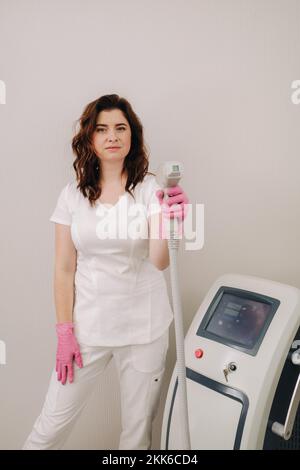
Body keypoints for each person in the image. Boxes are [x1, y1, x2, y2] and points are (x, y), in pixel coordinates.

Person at [22, 93, 189, 450]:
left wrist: (172, 218)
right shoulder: (72, 196)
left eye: (120, 128)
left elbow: (160, 261)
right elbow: (64, 269)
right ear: (90, 139)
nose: (112, 136)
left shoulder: (150, 189)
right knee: (49, 428)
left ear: (132, 136)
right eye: (102, 129)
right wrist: (64, 331)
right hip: (88, 330)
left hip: (144, 328)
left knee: (136, 436)